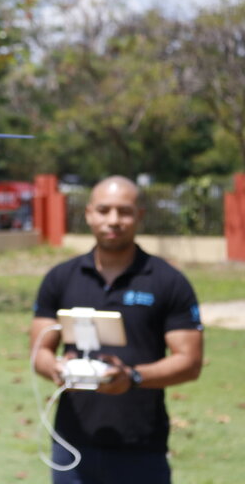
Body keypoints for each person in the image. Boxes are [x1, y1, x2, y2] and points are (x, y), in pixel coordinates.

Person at [30, 175, 204, 484]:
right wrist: (56, 368)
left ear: (139, 215)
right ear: (88, 214)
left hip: (140, 447)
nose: (113, 220)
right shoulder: (61, 278)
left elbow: (189, 362)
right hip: (72, 444)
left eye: (124, 211)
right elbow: (40, 350)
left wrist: (133, 377)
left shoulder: (167, 281)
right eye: (104, 210)